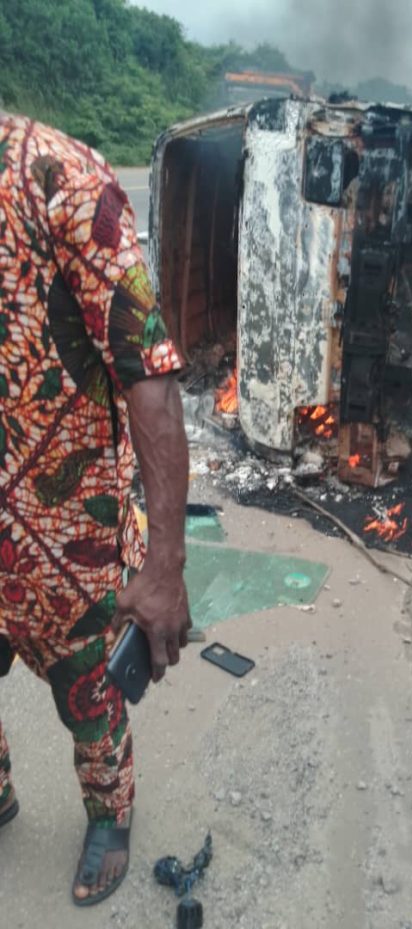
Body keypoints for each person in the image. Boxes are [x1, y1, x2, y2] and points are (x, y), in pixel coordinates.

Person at [0, 113, 191, 905]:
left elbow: (150, 376)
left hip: (69, 532)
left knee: (88, 689)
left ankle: (110, 816)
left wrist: (165, 566)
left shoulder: (59, 179)